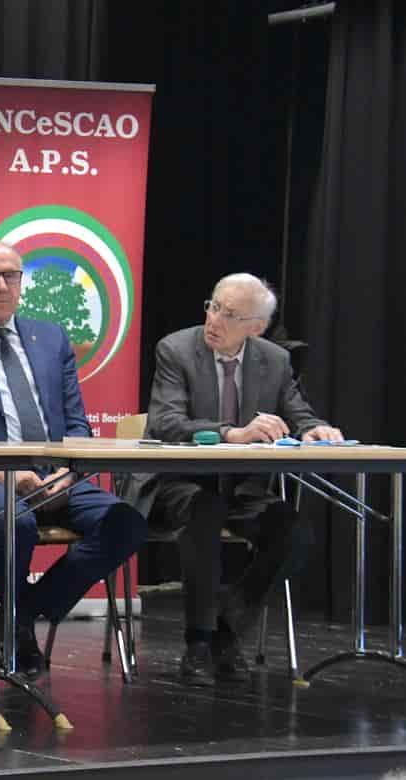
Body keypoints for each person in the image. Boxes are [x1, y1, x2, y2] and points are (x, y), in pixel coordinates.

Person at [0, 240, 146, 678]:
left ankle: (17, 617)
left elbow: (77, 424)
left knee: (125, 523)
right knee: (13, 523)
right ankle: (18, 634)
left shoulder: (50, 337)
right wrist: (6, 472)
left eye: (11, 275)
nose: (2, 285)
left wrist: (66, 471)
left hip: (53, 476)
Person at [122, 273, 343, 684]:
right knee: (205, 511)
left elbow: (298, 412)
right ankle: (198, 644)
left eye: (229, 314)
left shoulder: (274, 360)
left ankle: (229, 627)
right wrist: (231, 433)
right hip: (177, 484)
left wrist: (314, 429)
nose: (214, 320)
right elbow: (167, 423)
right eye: (213, 306)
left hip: (240, 487)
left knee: (293, 532)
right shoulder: (176, 349)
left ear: (255, 328)